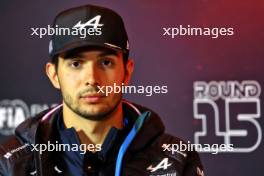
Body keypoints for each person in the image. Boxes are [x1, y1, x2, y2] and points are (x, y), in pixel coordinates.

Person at [0, 4, 203, 176]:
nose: (92, 79)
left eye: (105, 62)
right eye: (76, 64)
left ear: (127, 71)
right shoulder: (12, 164)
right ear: (54, 75)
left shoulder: (176, 160)